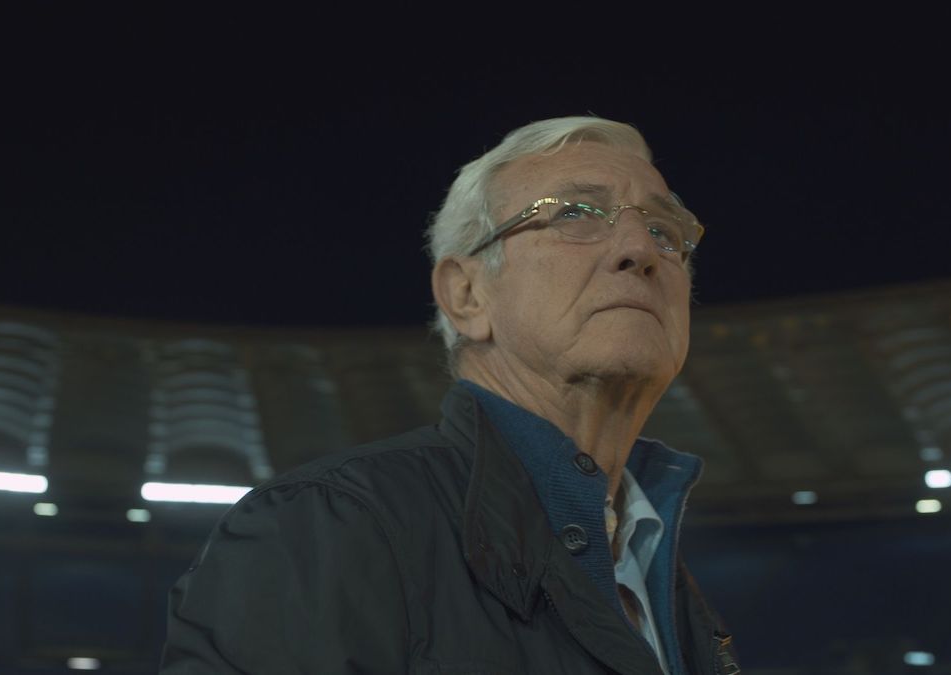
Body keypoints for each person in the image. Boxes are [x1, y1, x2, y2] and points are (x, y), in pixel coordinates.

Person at [160, 116, 740, 674]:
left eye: (665, 231)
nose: (639, 248)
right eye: (575, 214)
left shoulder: (667, 578)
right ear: (465, 295)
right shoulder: (324, 528)